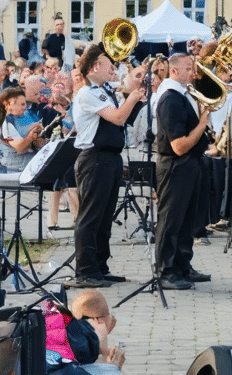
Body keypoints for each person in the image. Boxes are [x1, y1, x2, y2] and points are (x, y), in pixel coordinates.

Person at [68, 44, 146, 289]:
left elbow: (127, 84)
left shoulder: (104, 89)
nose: (113, 67)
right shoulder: (88, 93)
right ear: (94, 67)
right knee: (90, 216)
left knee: (104, 218)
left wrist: (139, 73)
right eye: (107, 63)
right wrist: (132, 97)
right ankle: (85, 270)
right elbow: (118, 117)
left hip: (110, 158)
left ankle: (100, 267)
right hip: (94, 158)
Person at [153, 54, 213, 290]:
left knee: (188, 218)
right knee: (171, 220)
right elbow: (179, 145)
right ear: (174, 71)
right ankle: (166, 271)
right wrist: (202, 124)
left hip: (190, 164)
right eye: (189, 68)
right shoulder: (170, 99)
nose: (194, 72)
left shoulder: (183, 95)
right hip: (176, 165)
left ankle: (182, 265)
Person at [0, 86, 43, 174]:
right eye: (22, 104)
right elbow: (19, 147)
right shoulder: (6, 124)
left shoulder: (24, 118)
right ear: (8, 105)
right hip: (15, 172)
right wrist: (31, 136)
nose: (25, 107)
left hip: (28, 168)